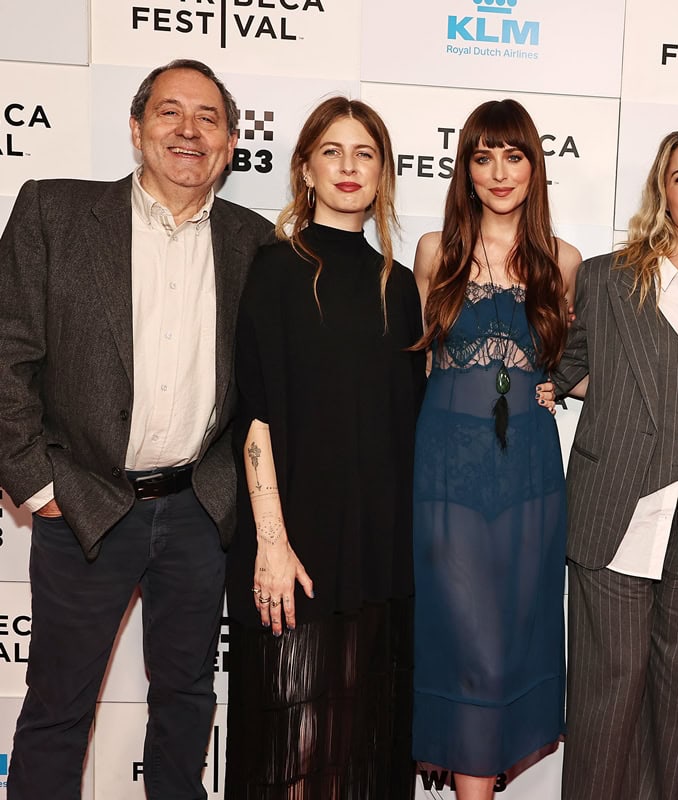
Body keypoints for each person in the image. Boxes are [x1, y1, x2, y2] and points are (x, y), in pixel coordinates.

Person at [0, 59, 274, 798]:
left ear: (230, 142)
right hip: (84, 501)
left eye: (208, 118)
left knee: (186, 703)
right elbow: (7, 353)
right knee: (59, 708)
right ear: (135, 128)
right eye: (169, 112)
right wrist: (37, 483)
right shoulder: (53, 214)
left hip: (198, 511)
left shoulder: (257, 243)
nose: (188, 130)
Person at [546, 125, 678, 800]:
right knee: (606, 707)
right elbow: (566, 368)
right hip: (615, 512)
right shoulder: (608, 279)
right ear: (662, 193)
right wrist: (622, 402)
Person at [223, 97, 424, 799]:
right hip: (291, 543)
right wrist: (271, 543)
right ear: (306, 167)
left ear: (383, 175)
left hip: (376, 548)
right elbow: (256, 417)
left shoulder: (400, 288)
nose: (348, 166)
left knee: (358, 733)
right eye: (332, 151)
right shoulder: (273, 270)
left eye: (364, 153)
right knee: (287, 741)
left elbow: (405, 425)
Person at [411, 98, 581, 800]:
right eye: (484, 158)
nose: (500, 172)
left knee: (507, 647)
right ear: (467, 170)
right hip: (445, 474)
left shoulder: (564, 262)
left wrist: (562, 387)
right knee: (465, 645)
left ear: (535, 166)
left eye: (513, 156)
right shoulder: (433, 252)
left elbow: (578, 364)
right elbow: (419, 367)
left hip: (530, 477)